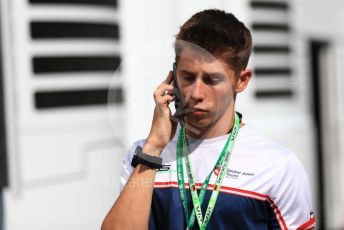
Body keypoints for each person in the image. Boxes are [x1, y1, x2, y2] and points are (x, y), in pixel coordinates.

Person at [102, 9, 316, 230]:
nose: (196, 93)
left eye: (211, 79)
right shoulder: (143, 155)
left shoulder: (278, 165)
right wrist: (153, 149)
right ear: (173, 76)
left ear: (242, 80)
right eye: (187, 77)